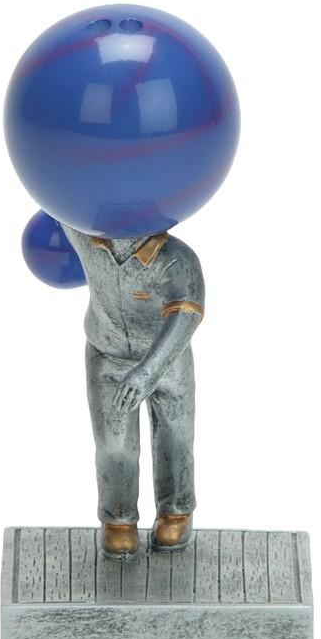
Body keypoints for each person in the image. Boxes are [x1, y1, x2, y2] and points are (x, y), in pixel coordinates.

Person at [62, 225, 205, 559]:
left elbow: (186, 316)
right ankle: (119, 518)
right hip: (107, 356)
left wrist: (147, 372)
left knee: (175, 435)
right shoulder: (86, 238)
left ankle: (176, 512)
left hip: (167, 359)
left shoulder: (176, 258)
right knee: (114, 444)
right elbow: (56, 205)